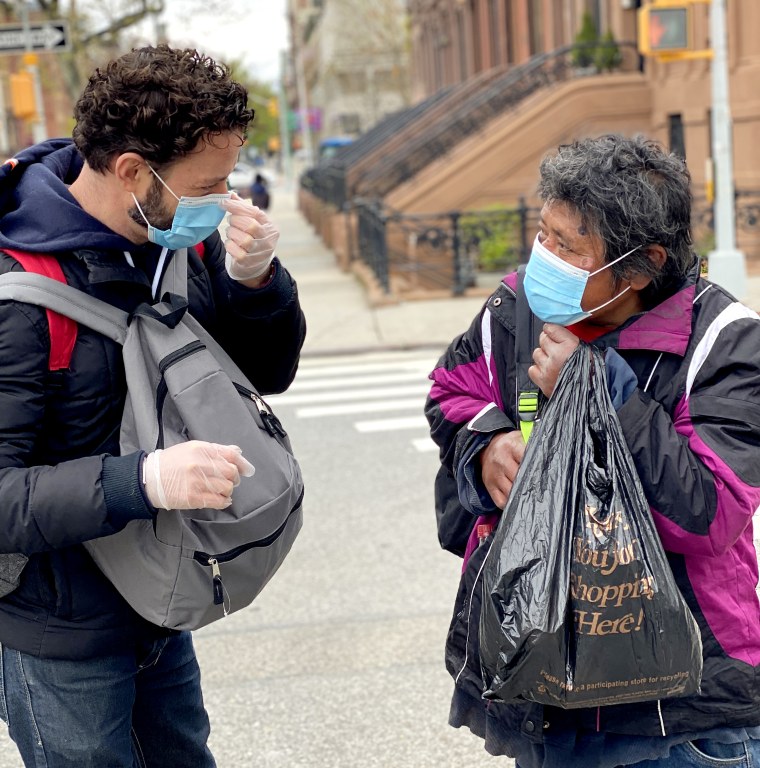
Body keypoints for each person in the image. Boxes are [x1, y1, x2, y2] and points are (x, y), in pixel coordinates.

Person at [0, 45, 306, 767]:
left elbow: (268, 372)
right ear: (132, 171)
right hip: (62, 634)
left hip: (157, 606)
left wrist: (253, 281)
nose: (226, 197)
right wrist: (142, 481)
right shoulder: (19, 297)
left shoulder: (164, 238)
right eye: (211, 182)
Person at [425, 134, 760, 768]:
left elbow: (709, 511)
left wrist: (598, 388)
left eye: (568, 246)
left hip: (678, 708)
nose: (543, 256)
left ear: (640, 266)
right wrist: (486, 442)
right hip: (545, 684)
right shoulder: (515, 309)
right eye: (543, 233)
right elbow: (451, 390)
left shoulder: (725, 343)